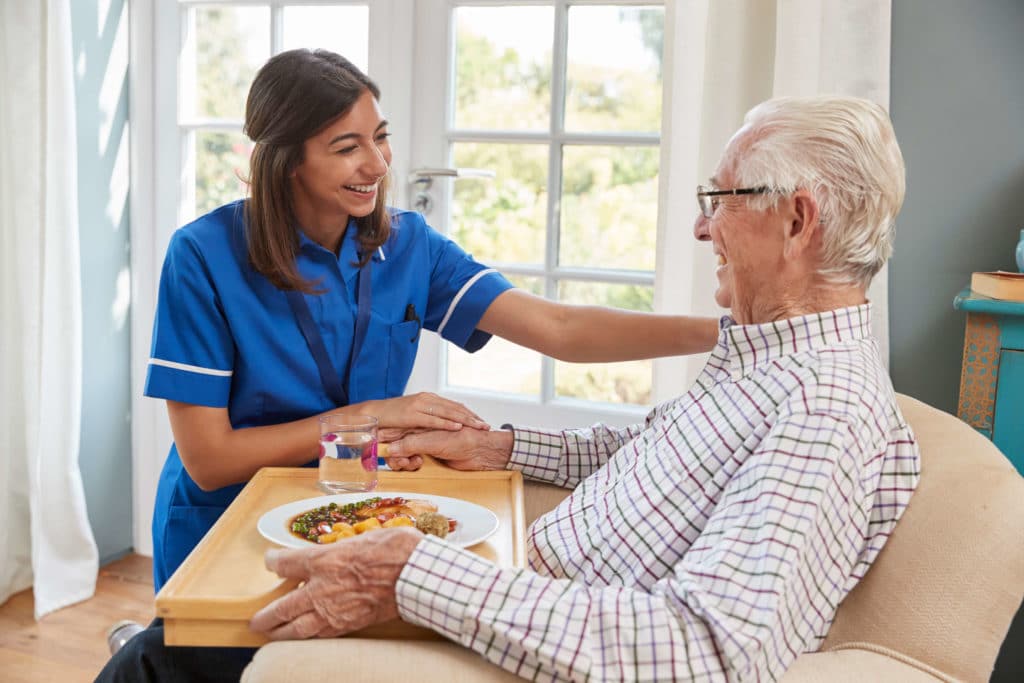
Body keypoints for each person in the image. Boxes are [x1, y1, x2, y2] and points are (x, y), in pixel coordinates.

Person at [248, 95, 921, 682]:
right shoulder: (773, 361)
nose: (700, 226)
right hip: (527, 585)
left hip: (550, 637)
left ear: (798, 221)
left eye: (717, 199)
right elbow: (657, 450)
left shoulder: (825, 406)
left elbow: (707, 652)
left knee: (252, 632)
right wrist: (499, 447)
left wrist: (410, 574)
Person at [94, 48, 716, 683]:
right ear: (287, 163)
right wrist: (366, 416)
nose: (376, 163)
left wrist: (727, 330)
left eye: (380, 137)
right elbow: (209, 458)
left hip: (359, 509)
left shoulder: (409, 243)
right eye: (345, 147)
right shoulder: (203, 255)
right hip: (227, 521)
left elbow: (559, 327)